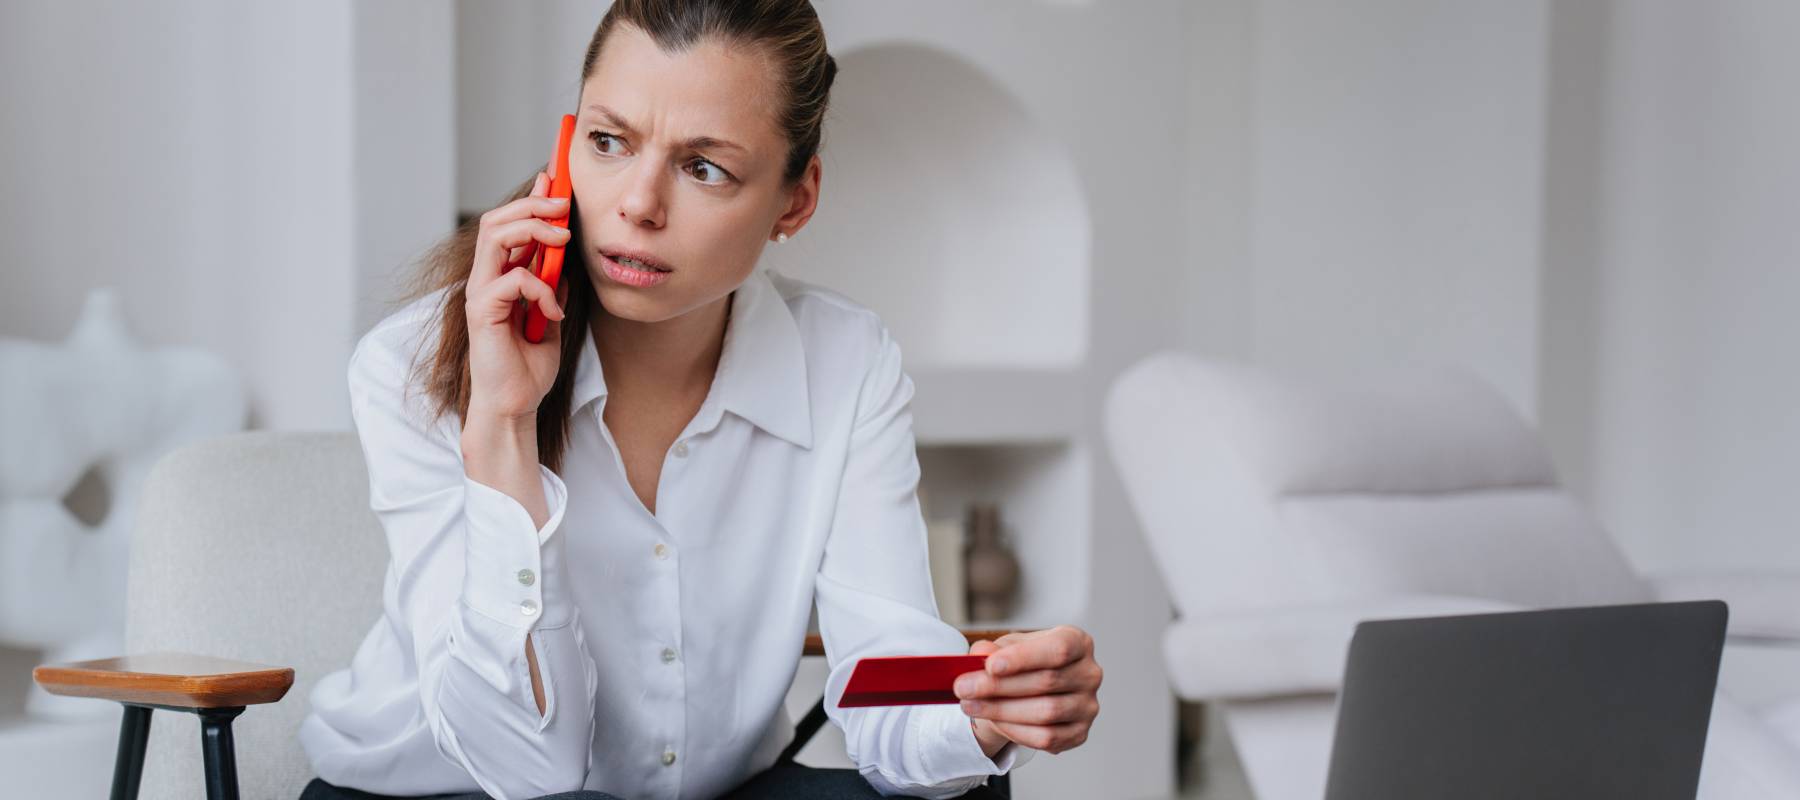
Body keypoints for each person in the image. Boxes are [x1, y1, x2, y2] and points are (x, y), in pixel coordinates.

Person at [296, 2, 1102, 798]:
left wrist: (986, 716)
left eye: (703, 167)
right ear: (568, 148)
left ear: (795, 199)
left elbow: (884, 689)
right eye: (609, 144)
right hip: (449, 794)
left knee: (964, 790)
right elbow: (524, 768)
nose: (638, 204)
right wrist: (503, 427)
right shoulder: (413, 360)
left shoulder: (846, 362)